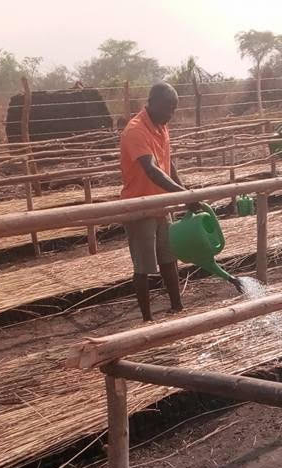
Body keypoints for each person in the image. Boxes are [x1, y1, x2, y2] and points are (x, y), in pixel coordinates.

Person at [120, 82, 197, 322]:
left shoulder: (162, 126)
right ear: (151, 102)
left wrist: (182, 191)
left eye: (174, 108)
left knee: (168, 257)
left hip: (162, 205)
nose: (170, 114)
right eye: (167, 108)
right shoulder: (135, 130)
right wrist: (183, 196)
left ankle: (177, 306)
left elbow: (168, 163)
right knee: (143, 266)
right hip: (140, 206)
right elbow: (151, 170)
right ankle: (147, 319)